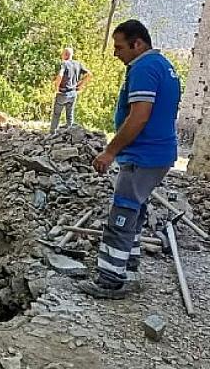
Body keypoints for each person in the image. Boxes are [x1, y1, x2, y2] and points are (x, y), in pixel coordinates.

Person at [76, 20, 181, 299]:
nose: (115, 53)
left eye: (120, 47)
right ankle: (129, 271)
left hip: (143, 155)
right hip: (159, 154)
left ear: (138, 44)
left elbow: (139, 116)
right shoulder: (163, 65)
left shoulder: (144, 69)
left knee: (121, 215)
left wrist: (110, 151)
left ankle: (110, 280)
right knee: (135, 211)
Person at [50, 47, 92, 132]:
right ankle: (71, 134)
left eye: (62, 53)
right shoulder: (78, 64)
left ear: (65, 55)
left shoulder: (64, 64)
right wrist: (81, 85)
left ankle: (52, 133)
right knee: (70, 115)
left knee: (56, 114)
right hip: (73, 93)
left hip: (63, 93)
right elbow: (89, 74)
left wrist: (56, 88)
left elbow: (60, 75)